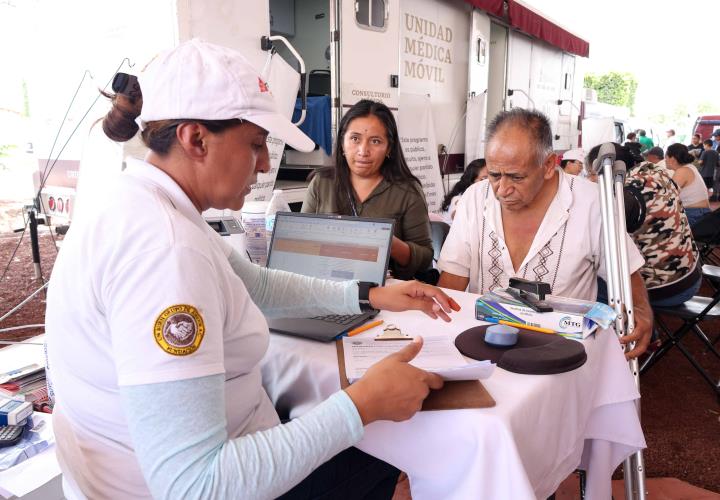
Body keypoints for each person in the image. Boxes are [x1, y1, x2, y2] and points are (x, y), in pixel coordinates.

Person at [44, 39, 462, 500]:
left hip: (183, 455)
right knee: (385, 462)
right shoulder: (166, 252)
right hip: (207, 483)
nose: (265, 165)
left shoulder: (142, 201)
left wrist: (367, 295)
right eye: (257, 145)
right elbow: (197, 485)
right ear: (195, 138)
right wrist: (360, 406)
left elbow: (257, 284)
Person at [436, 108, 653, 359]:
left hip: (561, 351)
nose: (502, 190)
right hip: (483, 344)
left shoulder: (592, 203)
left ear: (549, 165)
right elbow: (452, 281)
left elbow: (625, 272)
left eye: (516, 177)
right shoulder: (475, 197)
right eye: (495, 175)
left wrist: (641, 311)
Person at [302, 99, 433, 280]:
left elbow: (425, 259)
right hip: (327, 285)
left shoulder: (408, 191)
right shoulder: (321, 183)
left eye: (375, 141)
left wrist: (388, 242)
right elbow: (301, 244)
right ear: (342, 143)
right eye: (355, 139)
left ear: (389, 148)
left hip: (387, 293)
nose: (363, 151)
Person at [589, 143, 701, 307]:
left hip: (666, 289)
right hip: (691, 276)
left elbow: (600, 238)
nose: (592, 179)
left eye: (593, 175)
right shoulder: (658, 173)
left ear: (604, 169)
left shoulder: (626, 194)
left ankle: (639, 329)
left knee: (586, 282)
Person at [665, 143, 711, 226]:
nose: (665, 159)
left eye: (666, 156)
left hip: (694, 214)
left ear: (672, 158)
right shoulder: (690, 167)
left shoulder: (682, 171)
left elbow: (668, 196)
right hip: (700, 212)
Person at [440, 158, 487, 223]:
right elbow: (458, 217)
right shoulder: (458, 198)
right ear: (471, 181)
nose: (489, 182)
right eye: (484, 179)